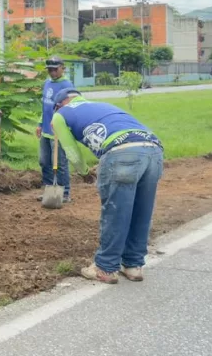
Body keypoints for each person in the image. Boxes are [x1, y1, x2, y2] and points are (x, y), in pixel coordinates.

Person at [52, 88, 163, 284]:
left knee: (116, 212)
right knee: (141, 211)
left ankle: (106, 267)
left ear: (60, 104)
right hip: (153, 151)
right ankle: (133, 265)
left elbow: (71, 151)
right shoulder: (101, 105)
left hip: (121, 154)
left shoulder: (60, 115)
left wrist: (84, 172)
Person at [38, 56, 73, 201]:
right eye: (49, 70)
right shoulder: (47, 83)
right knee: (44, 161)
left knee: (60, 163)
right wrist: (40, 124)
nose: (52, 72)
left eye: (55, 69)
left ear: (62, 68)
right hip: (46, 130)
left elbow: (71, 108)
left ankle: (64, 193)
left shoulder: (67, 85)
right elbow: (45, 106)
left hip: (59, 131)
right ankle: (48, 190)